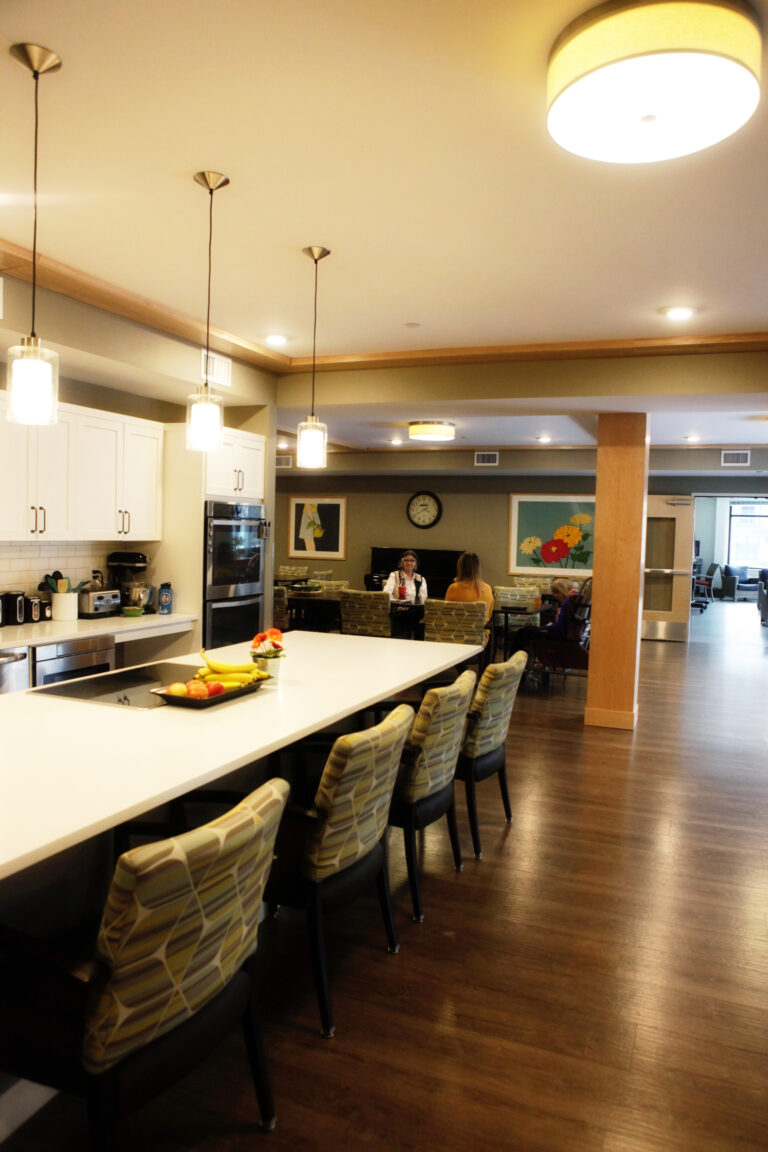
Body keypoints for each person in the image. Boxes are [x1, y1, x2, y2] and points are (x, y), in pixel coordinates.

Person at [445, 552, 494, 646]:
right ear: (478, 568)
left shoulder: (453, 588)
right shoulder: (487, 589)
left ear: (460, 568)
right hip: (480, 637)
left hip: (456, 637)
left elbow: (447, 615)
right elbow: (489, 616)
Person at [384, 550, 427, 639]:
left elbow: (424, 599)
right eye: (406, 560)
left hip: (414, 612)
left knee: (419, 621)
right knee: (402, 619)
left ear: (415, 563)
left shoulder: (420, 579)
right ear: (402, 562)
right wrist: (397, 601)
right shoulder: (394, 575)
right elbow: (386, 593)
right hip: (398, 610)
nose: (409, 563)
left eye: (412, 560)